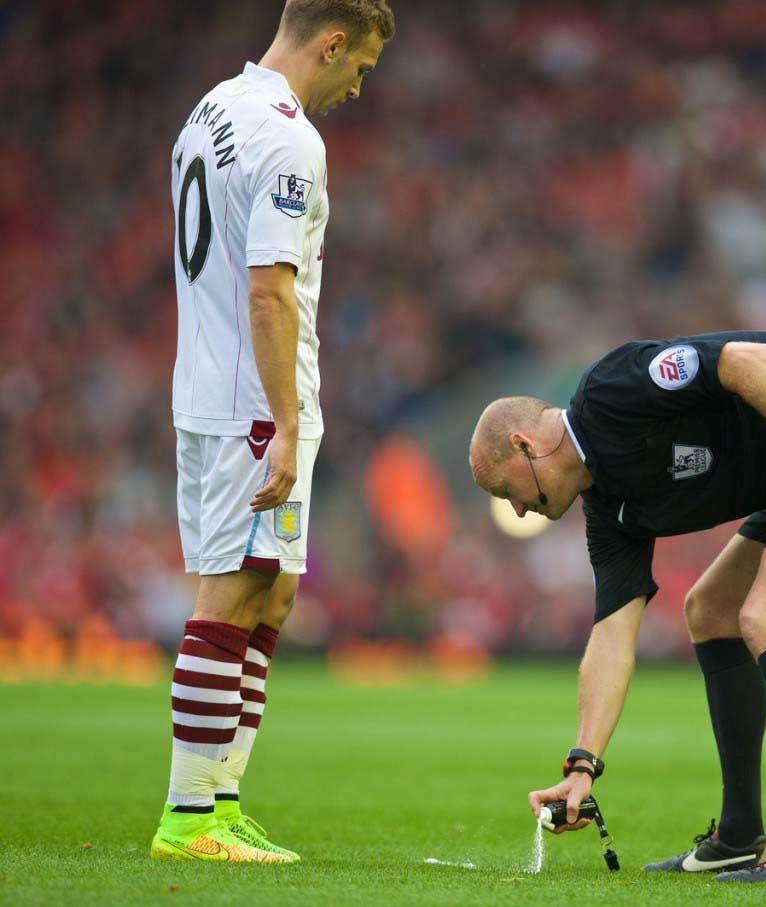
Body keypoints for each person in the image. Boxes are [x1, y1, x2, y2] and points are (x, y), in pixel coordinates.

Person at [469, 331, 766, 885]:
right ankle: (737, 837)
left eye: (504, 491)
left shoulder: (609, 393)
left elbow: (746, 359)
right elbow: (610, 637)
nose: (516, 511)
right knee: (711, 610)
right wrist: (582, 766)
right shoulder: (609, 511)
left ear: (523, 445)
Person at [153, 0, 394, 863]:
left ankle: (221, 796)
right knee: (231, 593)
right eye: (359, 66)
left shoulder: (212, 107)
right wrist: (286, 424)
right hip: (252, 402)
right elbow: (267, 289)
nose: (358, 87)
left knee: (273, 591)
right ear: (330, 43)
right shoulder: (290, 138)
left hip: (222, 388)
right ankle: (190, 817)